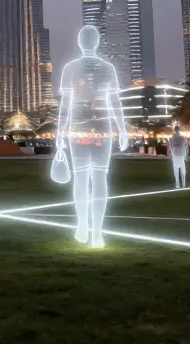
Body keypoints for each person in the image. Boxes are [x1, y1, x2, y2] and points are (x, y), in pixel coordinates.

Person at [54, 25, 130, 247]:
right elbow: (114, 102)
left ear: (80, 42)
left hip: (77, 130)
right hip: (102, 131)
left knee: (80, 179)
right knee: (99, 179)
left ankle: (83, 226)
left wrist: (60, 132)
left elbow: (65, 106)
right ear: (97, 42)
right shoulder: (108, 68)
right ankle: (97, 231)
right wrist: (122, 129)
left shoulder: (70, 68)